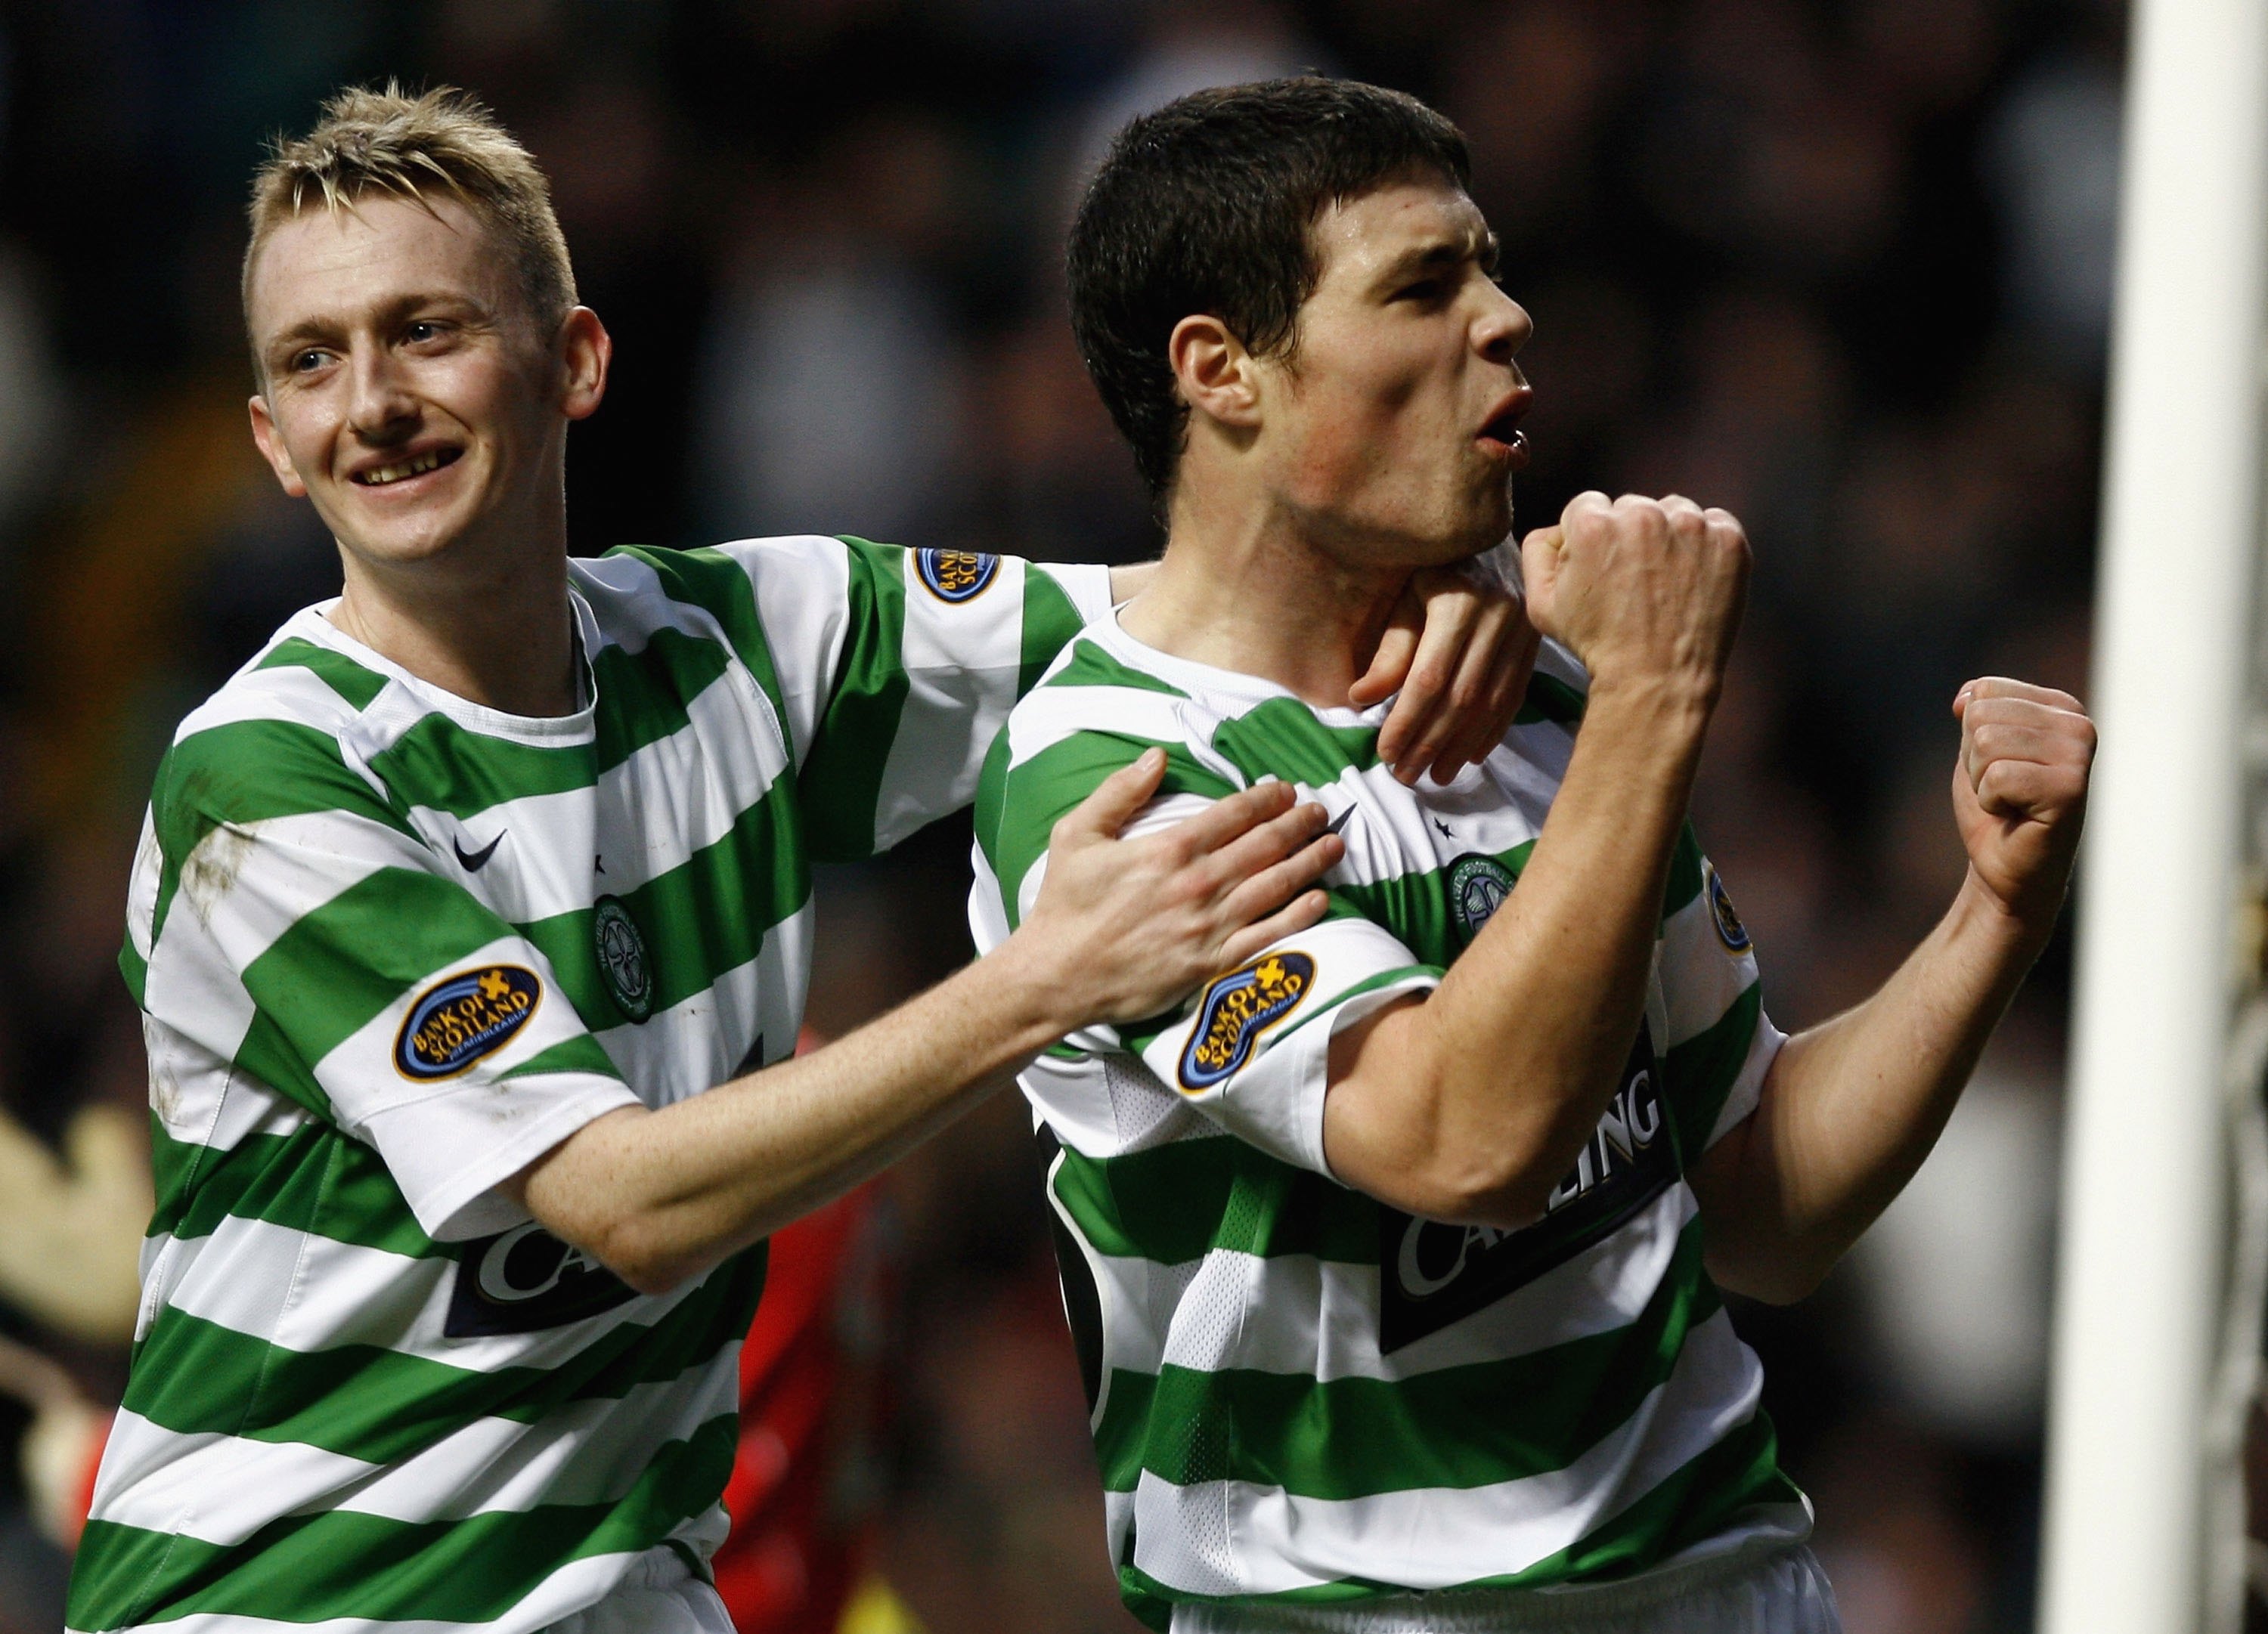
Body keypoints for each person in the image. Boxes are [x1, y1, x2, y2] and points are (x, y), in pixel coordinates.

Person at [65, 85, 1533, 1634]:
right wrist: (1045, 978)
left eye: (426, 331)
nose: (371, 401)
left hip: (628, 1594)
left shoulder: (750, 643)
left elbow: (1202, 613)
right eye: (313, 362)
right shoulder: (272, 776)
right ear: (273, 446)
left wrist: (1450, 570)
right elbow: (621, 1205)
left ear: (575, 360)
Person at [971, 78, 2096, 1634]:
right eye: (1425, 285)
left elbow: (1763, 1197)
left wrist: (1997, 910)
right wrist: (1660, 698)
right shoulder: (1113, 775)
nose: (1504, 318)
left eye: (1491, 268)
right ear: (1222, 372)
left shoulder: (1552, 693)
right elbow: (1465, 1143)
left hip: (1732, 1584)